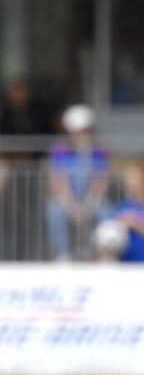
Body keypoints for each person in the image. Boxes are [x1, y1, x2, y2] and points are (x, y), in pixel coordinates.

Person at [46, 104, 111, 261]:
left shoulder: (99, 150)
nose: (83, 135)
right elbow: (57, 180)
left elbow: (101, 180)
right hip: (67, 199)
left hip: (93, 199)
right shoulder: (60, 150)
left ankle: (103, 254)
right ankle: (63, 254)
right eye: (79, 131)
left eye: (86, 130)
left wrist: (89, 204)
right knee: (54, 212)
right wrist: (71, 206)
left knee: (107, 212)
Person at [97, 161, 144, 263]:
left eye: (135, 178)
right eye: (128, 179)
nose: (131, 183)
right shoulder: (122, 206)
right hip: (124, 267)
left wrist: (137, 224)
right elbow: (109, 235)